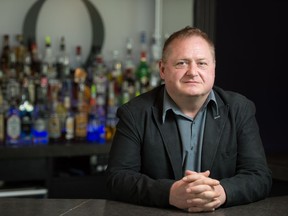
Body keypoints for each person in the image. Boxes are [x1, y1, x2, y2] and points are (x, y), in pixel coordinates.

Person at [106, 26, 272, 213]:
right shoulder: (134, 113)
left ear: (213, 68)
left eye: (202, 63)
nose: (192, 72)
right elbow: (117, 178)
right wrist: (169, 193)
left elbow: (259, 176)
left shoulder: (239, 109)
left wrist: (222, 192)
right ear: (162, 69)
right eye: (182, 63)